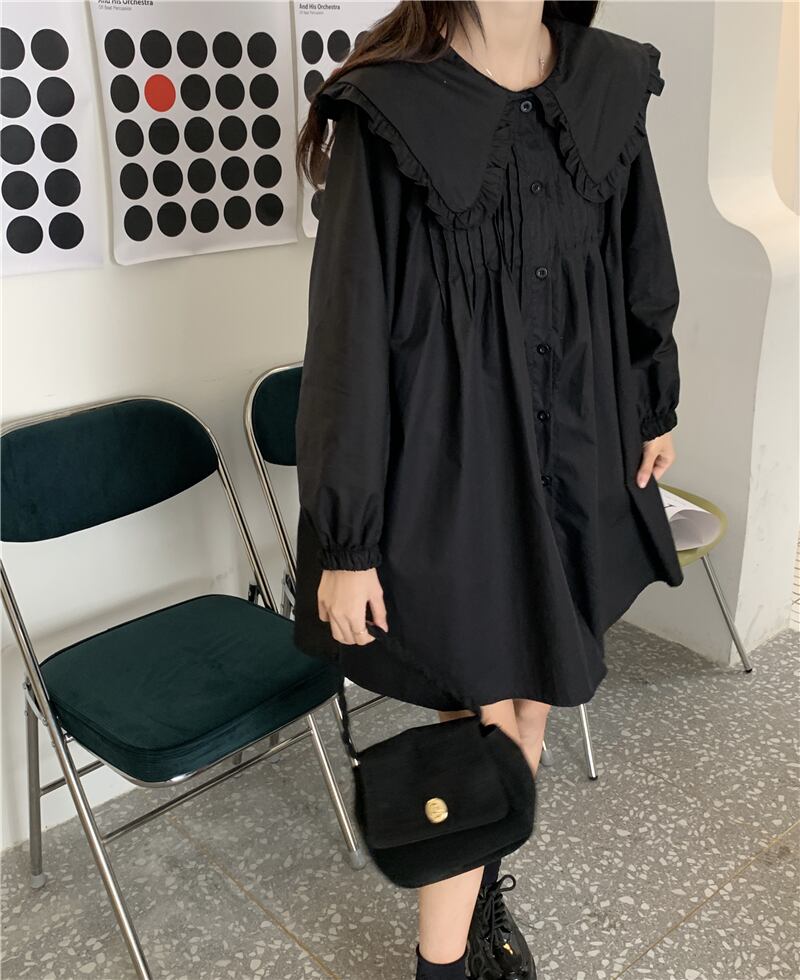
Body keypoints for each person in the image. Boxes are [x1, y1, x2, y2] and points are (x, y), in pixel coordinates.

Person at [293, 2, 683, 977]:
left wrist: (654, 403)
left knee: (534, 697)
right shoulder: (387, 105)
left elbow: (640, 257)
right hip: (449, 464)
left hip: (576, 442)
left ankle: (475, 907)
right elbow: (347, 332)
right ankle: (441, 964)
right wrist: (346, 539)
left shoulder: (606, 82)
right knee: (477, 720)